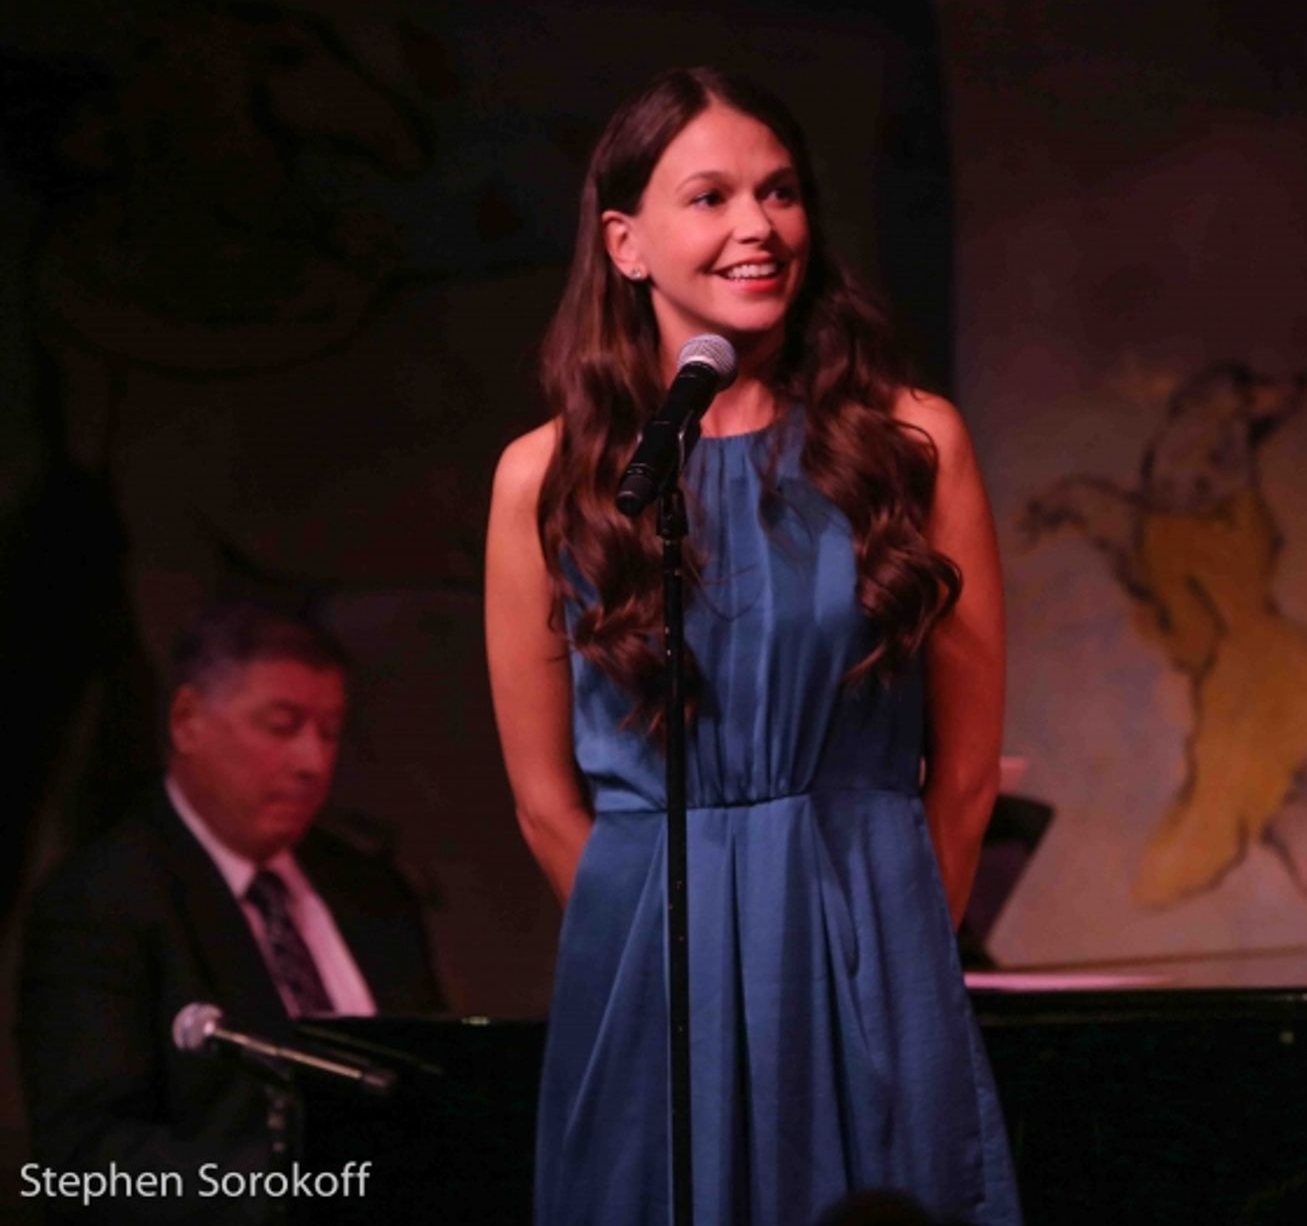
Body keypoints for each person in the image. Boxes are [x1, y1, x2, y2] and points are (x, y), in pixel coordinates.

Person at [485, 66, 1020, 1225]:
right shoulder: (548, 477)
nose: (755, 227)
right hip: (644, 967)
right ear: (625, 243)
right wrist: (665, 956)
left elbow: (966, 773)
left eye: (777, 193)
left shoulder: (908, 443)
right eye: (711, 197)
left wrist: (885, 949)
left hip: (867, 931)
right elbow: (543, 802)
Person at [18, 602, 444, 1224]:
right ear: (188, 720)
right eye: (282, 725)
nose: (313, 762)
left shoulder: (369, 888)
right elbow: (83, 1164)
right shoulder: (103, 900)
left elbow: (431, 1082)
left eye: (329, 731)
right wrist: (307, 1190)